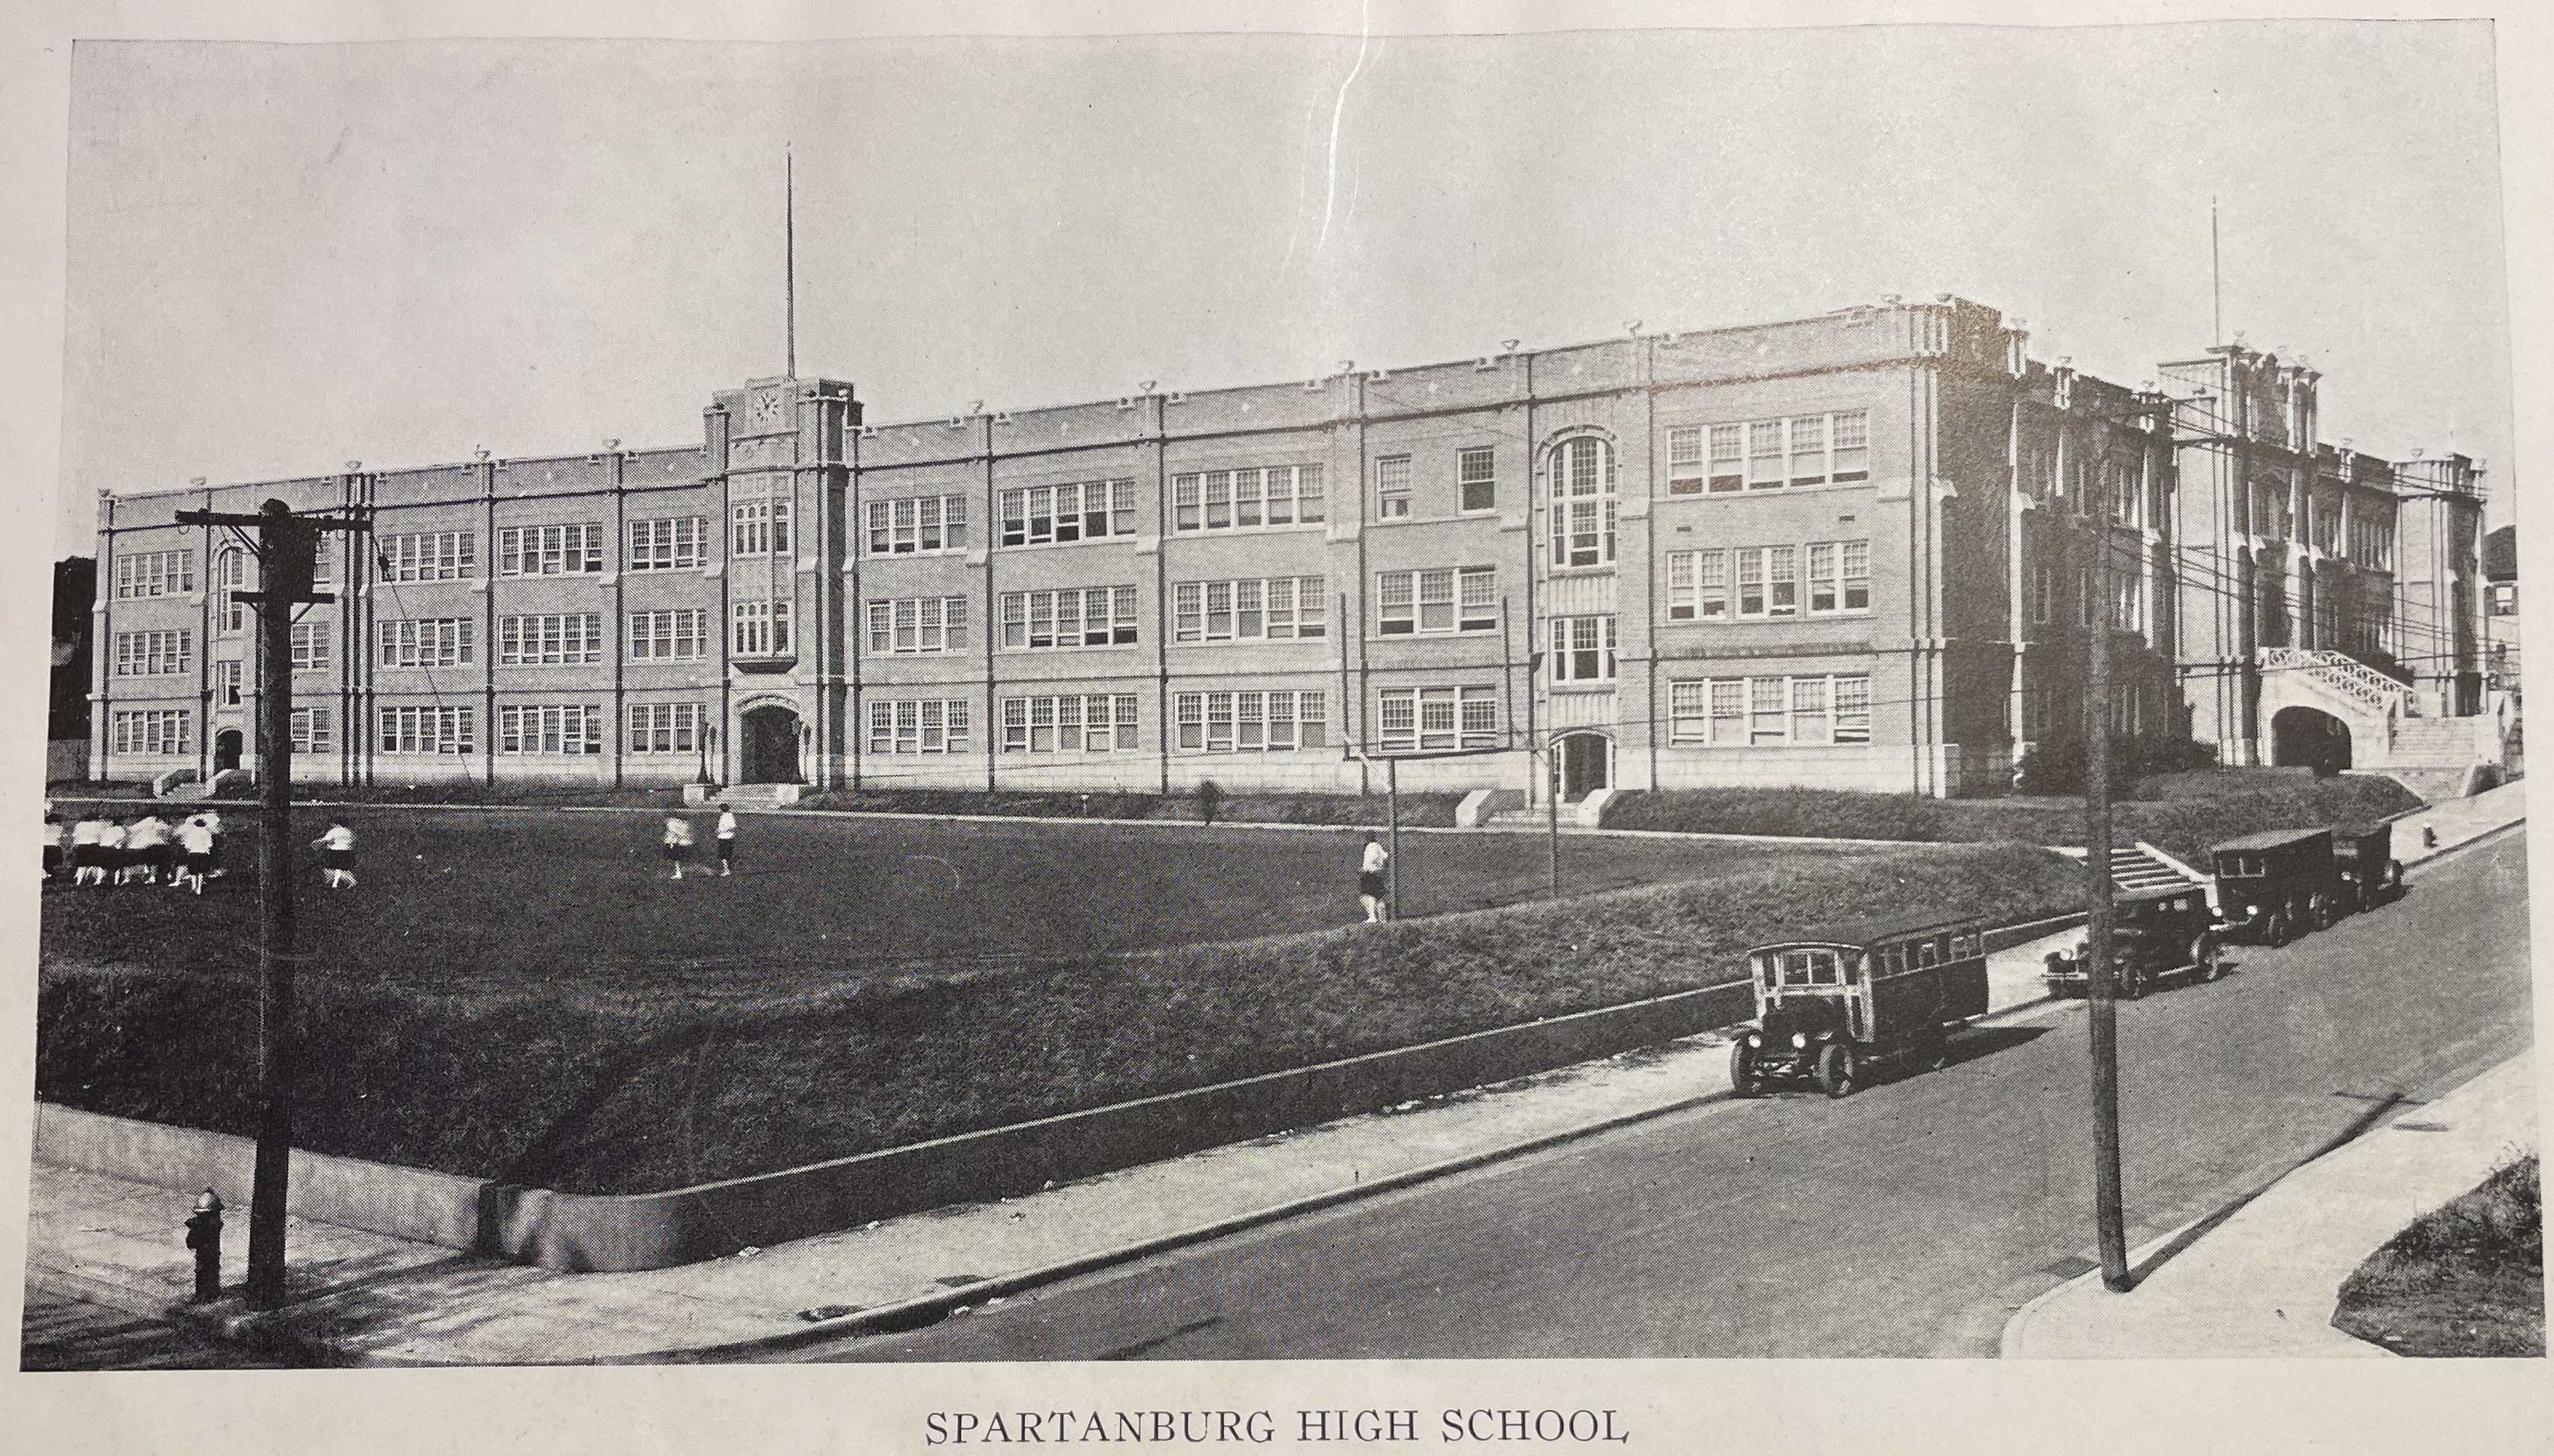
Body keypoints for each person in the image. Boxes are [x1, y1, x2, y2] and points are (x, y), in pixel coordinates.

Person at [124, 811, 172, 886]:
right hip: (163, 845)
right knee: (162, 862)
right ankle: (164, 877)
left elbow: (132, 829)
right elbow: (169, 830)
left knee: (153, 862)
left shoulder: (145, 822)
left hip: (151, 845)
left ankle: (152, 877)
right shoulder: (161, 824)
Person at [176, 814, 217, 895]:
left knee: (193, 872)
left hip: (193, 853)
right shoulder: (207, 833)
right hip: (204, 853)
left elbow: (187, 845)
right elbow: (210, 844)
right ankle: (199, 889)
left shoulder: (192, 833)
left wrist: (190, 850)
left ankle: (193, 887)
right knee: (201, 871)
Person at [312, 820, 357, 889]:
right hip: (348, 853)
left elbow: (325, 840)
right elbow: (354, 841)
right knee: (343, 869)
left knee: (335, 868)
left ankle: (335, 884)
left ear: (335, 824)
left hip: (336, 852)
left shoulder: (334, 831)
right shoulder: (349, 831)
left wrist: (317, 843)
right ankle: (350, 882)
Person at [1358, 831, 1390, 923]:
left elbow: (1371, 859)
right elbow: (1385, 856)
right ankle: (1382, 918)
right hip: (1378, 873)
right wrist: (1383, 866)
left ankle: (1373, 916)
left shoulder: (1371, 846)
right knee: (1378, 896)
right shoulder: (1378, 846)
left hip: (1370, 873)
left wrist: (1364, 869)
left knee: (1369, 895)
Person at [69, 812, 107, 886]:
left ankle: (79, 882)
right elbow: (102, 836)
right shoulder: (98, 825)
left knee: (82, 865)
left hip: (81, 846)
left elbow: (75, 836)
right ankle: (98, 880)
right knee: (99, 864)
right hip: (94, 846)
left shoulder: (79, 825)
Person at [95, 816, 130, 887]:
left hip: (102, 850)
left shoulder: (107, 830)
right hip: (113, 851)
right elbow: (124, 844)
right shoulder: (122, 830)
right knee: (120, 862)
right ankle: (117, 881)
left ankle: (99, 880)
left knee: (102, 865)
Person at [662, 813, 695, 879]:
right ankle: (678, 872)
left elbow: (682, 833)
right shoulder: (671, 822)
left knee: (678, 859)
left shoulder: (676, 823)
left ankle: (679, 873)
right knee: (675, 859)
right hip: (674, 843)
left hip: (680, 844)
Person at [714, 803, 739, 877]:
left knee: (724, 854)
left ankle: (726, 869)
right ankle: (726, 868)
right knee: (726, 854)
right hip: (726, 837)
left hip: (726, 837)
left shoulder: (728, 816)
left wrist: (721, 830)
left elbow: (732, 826)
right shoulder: (727, 816)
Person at [39, 813, 63, 883]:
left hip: (45, 848)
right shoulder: (59, 828)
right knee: (51, 865)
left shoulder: (44, 827)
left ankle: (47, 875)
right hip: (54, 848)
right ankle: (50, 876)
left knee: (45, 864)